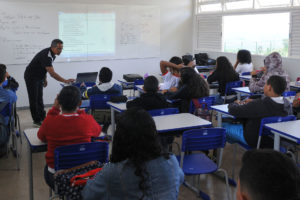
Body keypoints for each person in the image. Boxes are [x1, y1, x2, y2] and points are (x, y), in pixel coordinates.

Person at [82, 108, 184, 200]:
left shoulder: (113, 172)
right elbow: (180, 178)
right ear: (153, 135)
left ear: (120, 138)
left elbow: (88, 194)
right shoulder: (171, 161)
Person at [37, 86, 101, 189]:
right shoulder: (88, 120)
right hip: (84, 175)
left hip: (57, 178)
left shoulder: (50, 122)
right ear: (80, 103)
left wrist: (54, 110)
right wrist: (80, 112)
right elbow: (97, 131)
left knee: (48, 167)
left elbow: (41, 137)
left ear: (59, 102)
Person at [227, 75, 292, 148]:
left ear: (269, 87)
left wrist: (234, 103)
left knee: (224, 127)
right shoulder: (288, 105)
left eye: (265, 84)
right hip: (276, 141)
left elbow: (233, 110)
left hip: (255, 140)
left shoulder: (260, 104)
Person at [24, 39, 75, 126]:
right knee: (34, 99)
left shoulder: (52, 54)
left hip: (39, 76)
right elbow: (52, 74)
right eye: (59, 48)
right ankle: (36, 120)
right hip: (31, 77)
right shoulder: (47, 56)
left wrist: (44, 78)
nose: (60, 50)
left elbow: (44, 68)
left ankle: (42, 117)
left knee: (39, 98)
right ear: (53, 47)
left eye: (62, 48)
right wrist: (65, 80)